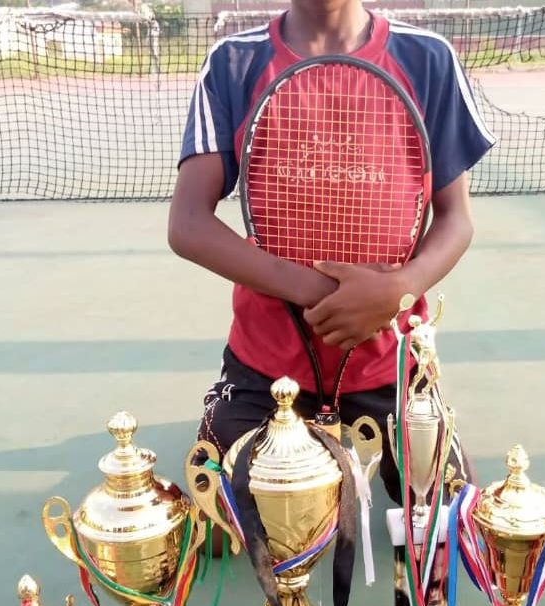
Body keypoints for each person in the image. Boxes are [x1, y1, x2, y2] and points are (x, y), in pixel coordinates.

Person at [168, 0, 494, 507]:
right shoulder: (234, 61)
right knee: (229, 521)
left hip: (389, 360)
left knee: (448, 523)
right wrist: (321, 293)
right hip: (265, 363)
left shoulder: (428, 57)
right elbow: (188, 224)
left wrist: (395, 291)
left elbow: (456, 218)